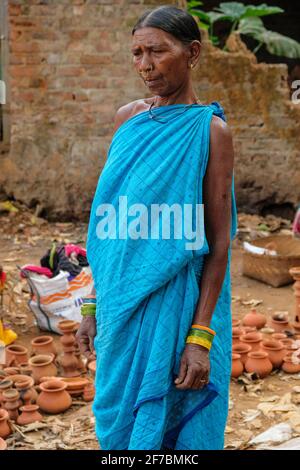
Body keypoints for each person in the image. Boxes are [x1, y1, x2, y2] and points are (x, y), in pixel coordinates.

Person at [76, 5, 237, 450]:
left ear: (192, 52)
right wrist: (92, 304)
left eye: (157, 52)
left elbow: (219, 241)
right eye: (137, 53)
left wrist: (200, 337)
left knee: (174, 427)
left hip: (178, 306)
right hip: (121, 306)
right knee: (119, 428)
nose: (144, 65)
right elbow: (112, 228)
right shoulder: (127, 120)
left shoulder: (210, 132)